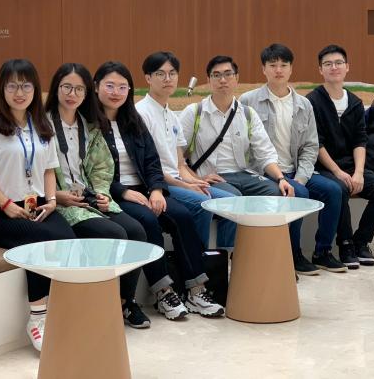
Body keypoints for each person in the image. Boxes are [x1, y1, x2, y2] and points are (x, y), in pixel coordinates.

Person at [94, 61, 224, 319]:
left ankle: (196, 289)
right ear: (96, 87)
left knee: (183, 216)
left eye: (122, 87)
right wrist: (122, 192)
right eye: (110, 86)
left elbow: (152, 162)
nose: (116, 92)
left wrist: (156, 189)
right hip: (115, 194)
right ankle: (164, 292)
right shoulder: (90, 125)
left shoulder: (132, 121)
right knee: (147, 221)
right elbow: (91, 173)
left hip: (145, 188)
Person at [0, 58, 75, 352]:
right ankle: (37, 319)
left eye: (26, 86)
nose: (19, 93)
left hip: (37, 206)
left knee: (69, 240)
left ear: (35, 89)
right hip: (0, 213)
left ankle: (62, 313)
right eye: (12, 86)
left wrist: (51, 201)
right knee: (40, 245)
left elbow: (49, 170)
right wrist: (5, 204)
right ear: (1, 90)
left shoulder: (41, 126)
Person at [44, 62, 151, 329]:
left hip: (88, 198)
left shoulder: (89, 125)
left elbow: (103, 166)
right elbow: (33, 172)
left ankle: (125, 302)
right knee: (115, 234)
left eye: (79, 89)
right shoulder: (41, 126)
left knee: (137, 232)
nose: (73, 94)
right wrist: (57, 195)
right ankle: (101, 303)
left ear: (86, 92)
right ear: (56, 88)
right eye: (67, 87)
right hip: (60, 202)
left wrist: (102, 194)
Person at [180, 56, 310, 273]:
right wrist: (196, 179)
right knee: (234, 200)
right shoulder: (195, 113)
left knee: (277, 193)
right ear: (209, 80)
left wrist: (280, 178)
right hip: (213, 177)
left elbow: (265, 153)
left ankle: (269, 258)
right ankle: (229, 262)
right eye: (216, 75)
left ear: (236, 78)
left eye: (228, 74)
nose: (223, 80)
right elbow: (177, 158)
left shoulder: (247, 114)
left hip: (243, 174)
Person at [240, 44, 346, 274]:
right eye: (273, 65)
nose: (278, 70)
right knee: (298, 193)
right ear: (263, 69)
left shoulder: (303, 104)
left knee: (333, 190)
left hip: (296, 171)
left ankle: (323, 252)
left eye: (283, 65)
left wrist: (301, 176)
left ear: (291, 69)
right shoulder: (248, 101)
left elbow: (310, 146)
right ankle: (293, 254)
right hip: (264, 172)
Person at [136, 51, 238, 250]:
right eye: (160, 74)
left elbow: (180, 164)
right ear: (148, 78)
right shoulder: (141, 113)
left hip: (176, 180)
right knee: (202, 203)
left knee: (231, 202)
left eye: (172, 73)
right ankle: (198, 259)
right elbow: (148, 167)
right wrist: (184, 185)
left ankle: (223, 257)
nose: (168, 79)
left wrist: (195, 181)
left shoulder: (172, 116)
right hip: (158, 184)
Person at [306, 45, 374, 268]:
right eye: (328, 64)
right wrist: (337, 171)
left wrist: (359, 172)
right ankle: (344, 244)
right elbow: (315, 143)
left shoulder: (354, 102)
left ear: (347, 67)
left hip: (351, 165)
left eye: (338, 63)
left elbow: (360, 140)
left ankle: (361, 241)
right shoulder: (312, 101)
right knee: (340, 187)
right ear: (320, 70)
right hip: (323, 167)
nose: (333, 67)